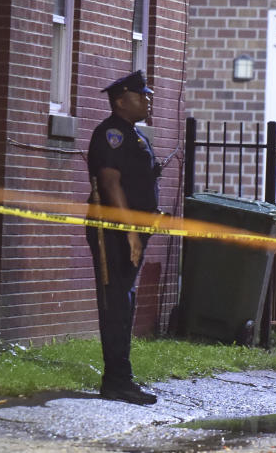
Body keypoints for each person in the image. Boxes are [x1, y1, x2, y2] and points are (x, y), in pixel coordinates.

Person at [86, 70, 160, 405]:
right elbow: (111, 183)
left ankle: (120, 377)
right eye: (141, 95)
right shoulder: (111, 133)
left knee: (124, 301)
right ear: (120, 100)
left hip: (133, 231)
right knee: (117, 302)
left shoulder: (134, 135)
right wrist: (130, 231)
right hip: (113, 233)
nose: (148, 99)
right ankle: (117, 381)